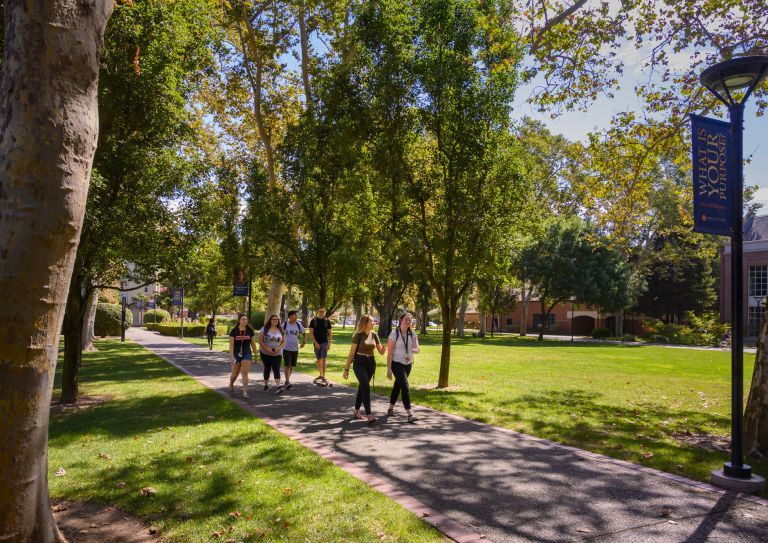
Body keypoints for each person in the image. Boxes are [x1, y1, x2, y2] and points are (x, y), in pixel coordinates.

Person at [343, 315, 386, 423]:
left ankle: (356, 412)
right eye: (371, 321)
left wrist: (385, 347)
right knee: (366, 386)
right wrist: (346, 369)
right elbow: (351, 353)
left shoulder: (374, 334)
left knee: (363, 387)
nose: (374, 323)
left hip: (371, 364)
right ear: (365, 323)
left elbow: (381, 352)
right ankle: (369, 414)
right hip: (359, 363)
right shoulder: (358, 335)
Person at [386, 312, 420, 423]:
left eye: (410, 320)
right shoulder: (394, 334)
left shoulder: (412, 334)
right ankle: (410, 415)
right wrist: (389, 369)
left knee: (398, 385)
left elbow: (417, 348)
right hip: (397, 363)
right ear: (401, 320)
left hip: (408, 364)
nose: (408, 321)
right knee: (405, 386)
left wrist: (412, 350)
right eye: (406, 319)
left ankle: (390, 408)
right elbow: (390, 353)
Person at [229, 314, 257, 398]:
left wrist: (256, 355)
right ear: (239, 321)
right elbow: (231, 345)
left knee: (244, 372)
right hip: (235, 355)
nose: (244, 321)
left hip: (247, 353)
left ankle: (245, 392)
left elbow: (253, 344)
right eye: (243, 319)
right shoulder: (233, 331)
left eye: (246, 319)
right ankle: (231, 383)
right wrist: (232, 356)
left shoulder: (250, 331)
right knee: (234, 374)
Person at [259, 314, 286, 393]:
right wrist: (267, 349)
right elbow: (260, 341)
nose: (275, 321)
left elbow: (283, 342)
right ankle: (266, 385)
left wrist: (279, 348)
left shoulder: (281, 330)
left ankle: (278, 386)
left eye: (276, 320)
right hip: (265, 353)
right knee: (267, 368)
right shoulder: (264, 329)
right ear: (270, 320)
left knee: (276, 368)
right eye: (273, 319)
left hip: (277, 353)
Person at [281, 310, 306, 390]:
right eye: (295, 315)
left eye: (296, 315)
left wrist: (303, 342)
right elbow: (278, 333)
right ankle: (287, 381)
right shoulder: (284, 325)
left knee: (291, 365)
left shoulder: (298, 325)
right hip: (286, 348)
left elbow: (304, 333)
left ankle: (287, 379)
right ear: (290, 316)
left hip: (295, 348)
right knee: (287, 365)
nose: (296, 316)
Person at [309, 307, 333, 385]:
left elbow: (330, 333)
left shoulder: (327, 321)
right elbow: (311, 333)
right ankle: (321, 374)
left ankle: (323, 376)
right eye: (320, 311)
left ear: (325, 312)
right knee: (319, 359)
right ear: (317, 312)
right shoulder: (313, 321)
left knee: (323, 359)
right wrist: (315, 343)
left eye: (323, 311)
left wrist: (329, 343)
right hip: (316, 343)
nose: (321, 313)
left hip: (324, 342)